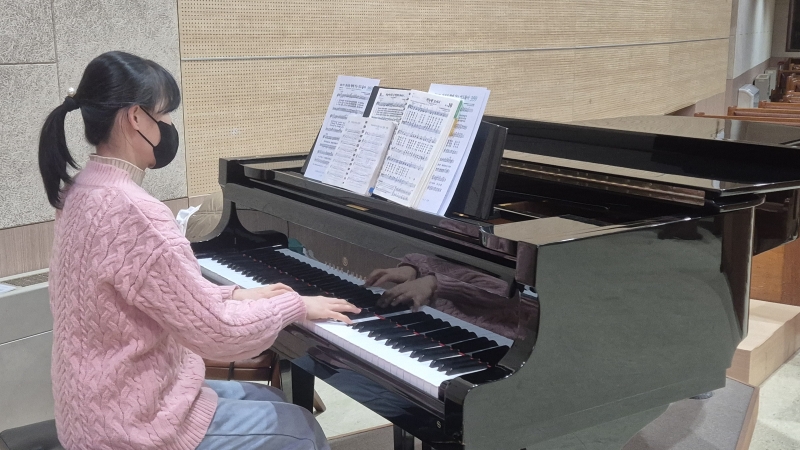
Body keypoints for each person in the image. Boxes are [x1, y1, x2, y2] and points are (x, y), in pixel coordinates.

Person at [38, 51, 359, 450]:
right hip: (128, 428)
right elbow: (218, 333)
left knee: (274, 400)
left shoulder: (82, 190)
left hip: (94, 409)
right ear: (135, 117)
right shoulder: (134, 212)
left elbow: (161, 294)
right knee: (302, 429)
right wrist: (294, 305)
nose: (170, 125)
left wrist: (237, 295)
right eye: (165, 113)